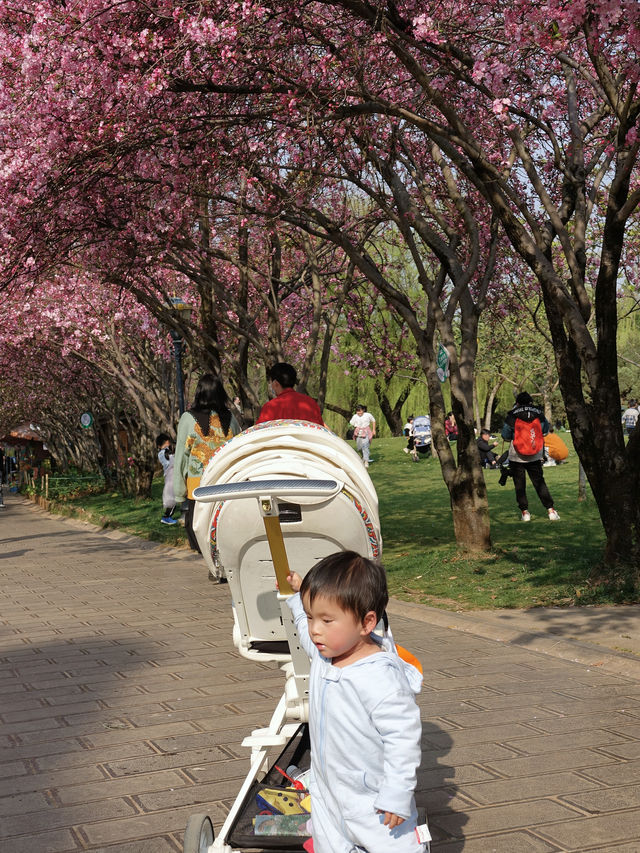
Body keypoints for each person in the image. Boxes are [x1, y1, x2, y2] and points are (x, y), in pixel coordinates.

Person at [285, 552, 426, 853]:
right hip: (327, 791)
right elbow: (304, 633)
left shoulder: (380, 678)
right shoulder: (327, 653)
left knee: (393, 846)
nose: (315, 629)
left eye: (326, 620)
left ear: (366, 623)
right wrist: (299, 599)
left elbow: (403, 739)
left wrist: (397, 793)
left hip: (371, 798)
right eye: (312, 617)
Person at [174, 373, 241, 553]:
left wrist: (179, 492)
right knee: (222, 528)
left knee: (200, 530)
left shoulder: (188, 418)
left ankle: (213, 563)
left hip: (198, 488)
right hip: (224, 484)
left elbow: (181, 457)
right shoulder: (230, 418)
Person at [501, 392, 560, 522]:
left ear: (517, 402)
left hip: (516, 455)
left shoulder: (513, 414)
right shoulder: (538, 413)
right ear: (530, 402)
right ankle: (550, 511)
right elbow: (544, 431)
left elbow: (505, 435)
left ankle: (525, 512)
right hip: (534, 454)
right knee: (539, 482)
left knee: (519, 484)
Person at [256, 362, 324, 425]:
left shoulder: (271, 407)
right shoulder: (311, 404)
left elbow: (259, 432)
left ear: (275, 383)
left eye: (270, 382)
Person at [155, 433, 177, 525]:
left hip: (170, 475)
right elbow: (171, 457)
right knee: (173, 498)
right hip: (171, 476)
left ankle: (167, 516)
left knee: (173, 497)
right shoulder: (165, 452)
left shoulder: (161, 453)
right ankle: (166, 517)